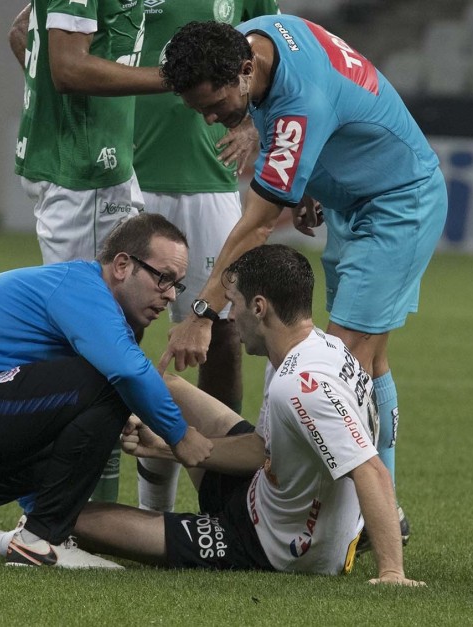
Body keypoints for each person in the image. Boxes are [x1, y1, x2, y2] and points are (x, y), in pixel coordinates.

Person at [0, 245, 424, 585]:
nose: (230, 316)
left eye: (236, 304)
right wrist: (170, 447)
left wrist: (392, 573)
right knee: (158, 386)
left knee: (73, 521)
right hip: (265, 492)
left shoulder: (300, 386)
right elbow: (263, 451)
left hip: (272, 546)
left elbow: (370, 471)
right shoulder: (314, 348)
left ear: (260, 307)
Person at [157, 17, 449, 541]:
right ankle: (385, 512)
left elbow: (258, 225)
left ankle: (337, 523)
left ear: (245, 71)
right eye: (199, 108)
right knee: (368, 360)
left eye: (215, 105)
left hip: (396, 205)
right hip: (355, 201)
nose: (211, 119)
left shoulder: (297, 103)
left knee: (335, 367)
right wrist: (303, 175)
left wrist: (203, 314)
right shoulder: (257, 36)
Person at [0, 213, 213, 569]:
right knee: (111, 384)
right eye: (162, 277)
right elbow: (127, 372)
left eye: (176, 285)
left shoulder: (96, 302)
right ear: (122, 265)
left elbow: (57, 424)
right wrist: (180, 435)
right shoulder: (84, 288)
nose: (168, 295)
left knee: (102, 407)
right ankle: (43, 539)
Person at [9, 1, 167, 502]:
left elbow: (20, 31)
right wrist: (170, 79)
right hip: (85, 173)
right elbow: (69, 66)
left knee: (87, 339)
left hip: (91, 164)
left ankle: (73, 506)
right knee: (90, 345)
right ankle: (61, 516)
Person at [130, 0, 280, 515]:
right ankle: (149, 509)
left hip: (209, 180)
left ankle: (221, 495)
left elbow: (269, 59)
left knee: (222, 333)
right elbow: (29, 33)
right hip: (124, 176)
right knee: (110, 335)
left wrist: (257, 126)